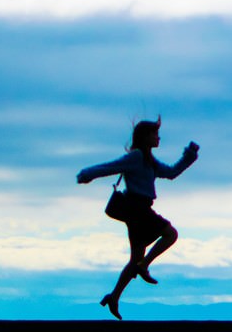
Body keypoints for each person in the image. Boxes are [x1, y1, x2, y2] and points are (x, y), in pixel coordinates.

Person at [77, 118, 199, 319]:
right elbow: (111, 167)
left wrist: (189, 155)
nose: (158, 137)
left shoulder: (149, 160)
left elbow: (171, 172)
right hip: (138, 209)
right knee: (170, 234)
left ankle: (114, 297)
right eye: (154, 133)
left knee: (135, 257)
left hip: (138, 211)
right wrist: (86, 174)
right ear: (145, 137)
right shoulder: (136, 157)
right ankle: (144, 266)